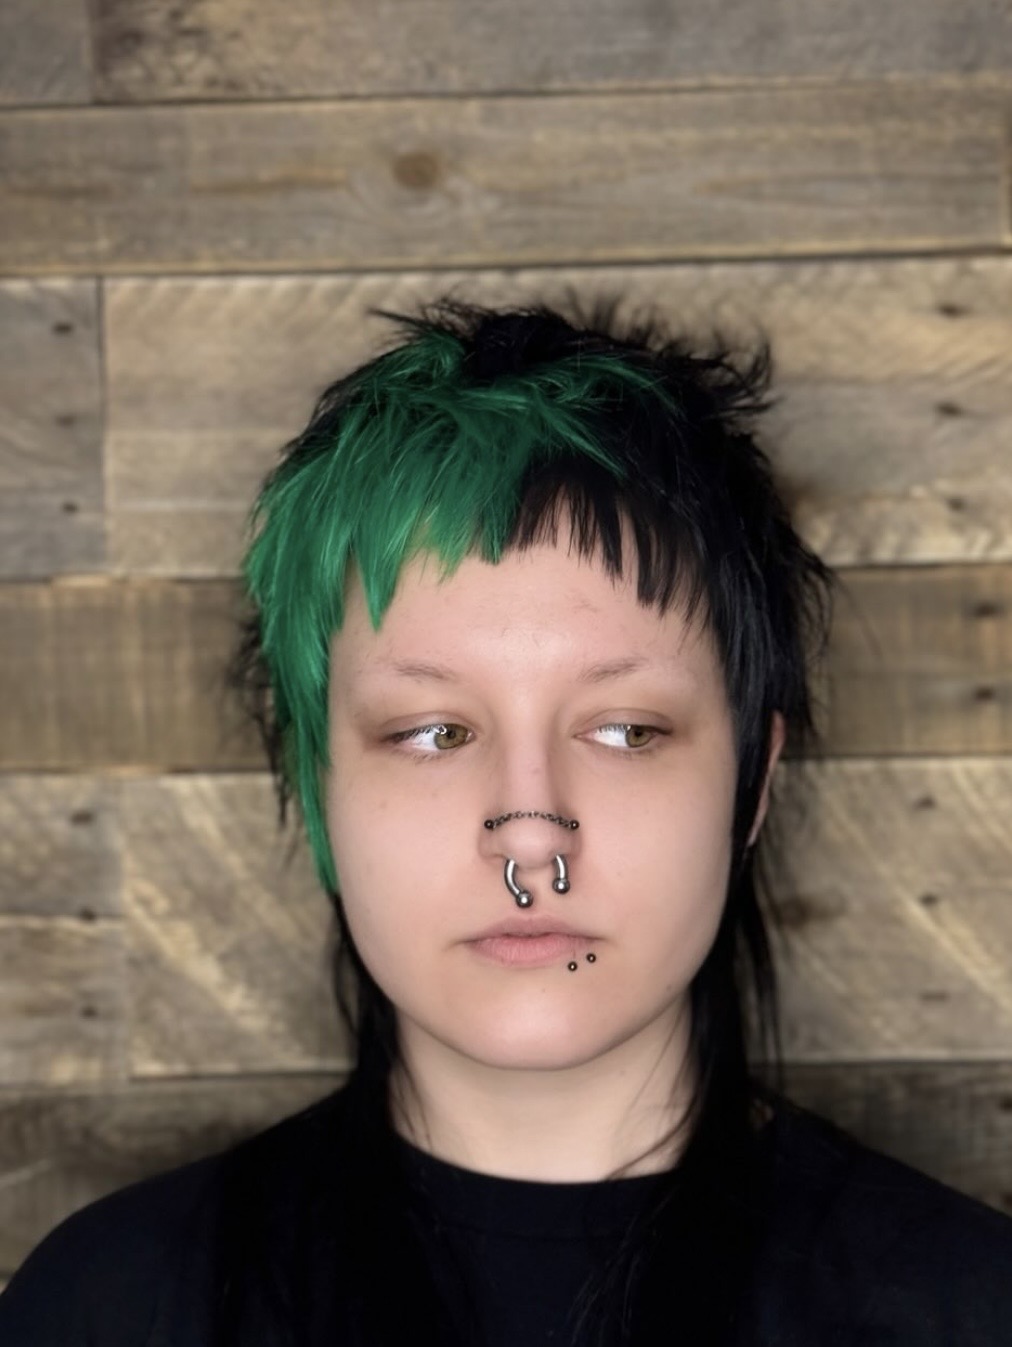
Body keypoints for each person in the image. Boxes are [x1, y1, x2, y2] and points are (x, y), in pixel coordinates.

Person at [2, 299, 1010, 1346]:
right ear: (314, 787)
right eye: (434, 733)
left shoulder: (971, 1308)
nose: (531, 838)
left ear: (754, 779)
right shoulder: (103, 1308)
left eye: (625, 730)